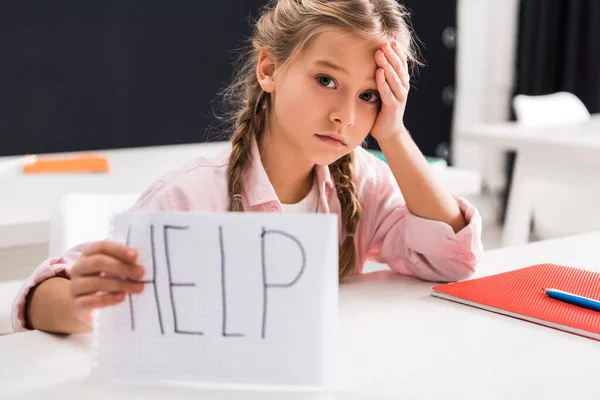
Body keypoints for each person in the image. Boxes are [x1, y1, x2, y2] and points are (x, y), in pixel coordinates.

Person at [13, 0, 483, 334]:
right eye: (325, 80)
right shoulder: (190, 197)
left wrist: (394, 135)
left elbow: (451, 261)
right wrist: (76, 302)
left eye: (369, 95)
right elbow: (36, 300)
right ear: (269, 69)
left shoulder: (362, 181)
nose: (346, 115)